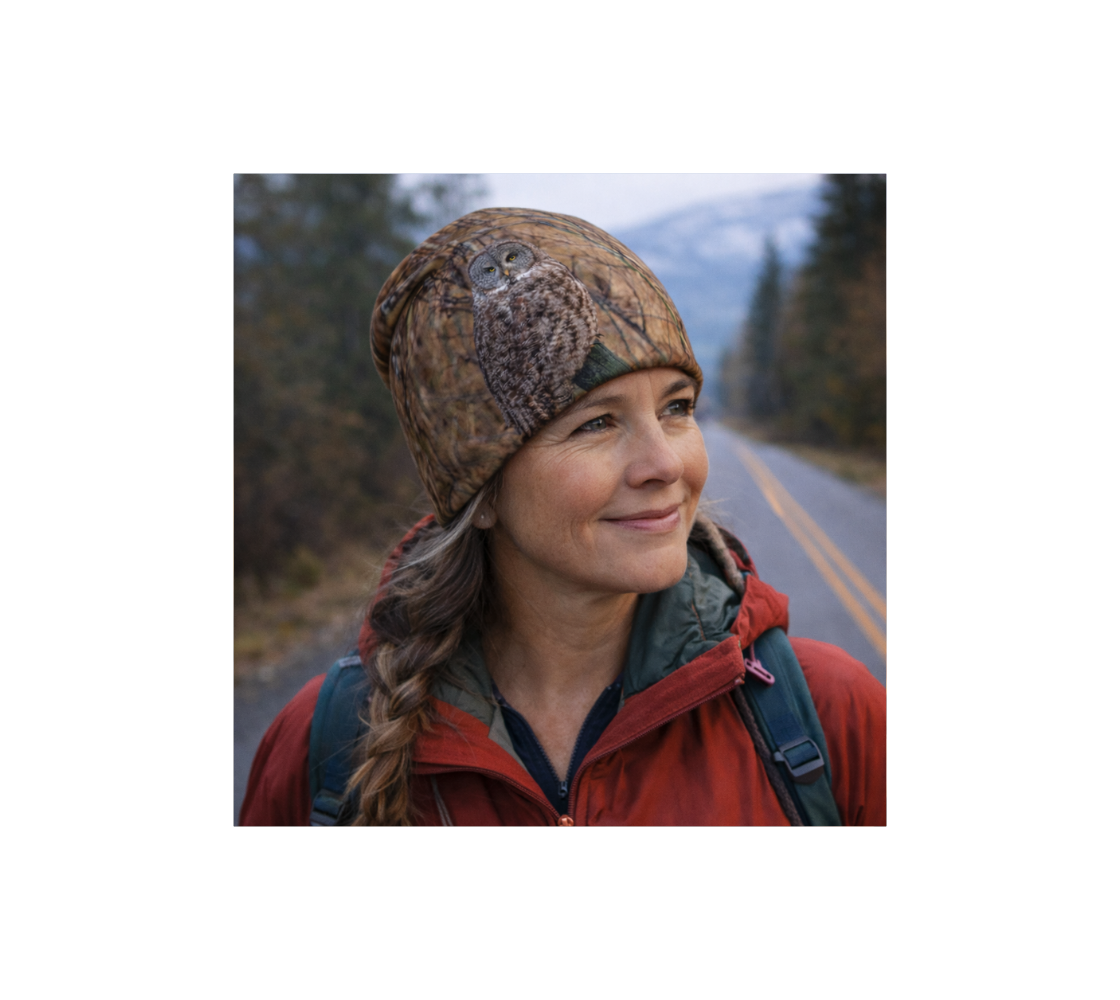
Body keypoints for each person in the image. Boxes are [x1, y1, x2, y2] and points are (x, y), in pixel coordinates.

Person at [239, 208, 887, 827]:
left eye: (677, 408)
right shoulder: (328, 749)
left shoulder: (829, 715)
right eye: (596, 423)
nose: (665, 463)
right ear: (481, 491)